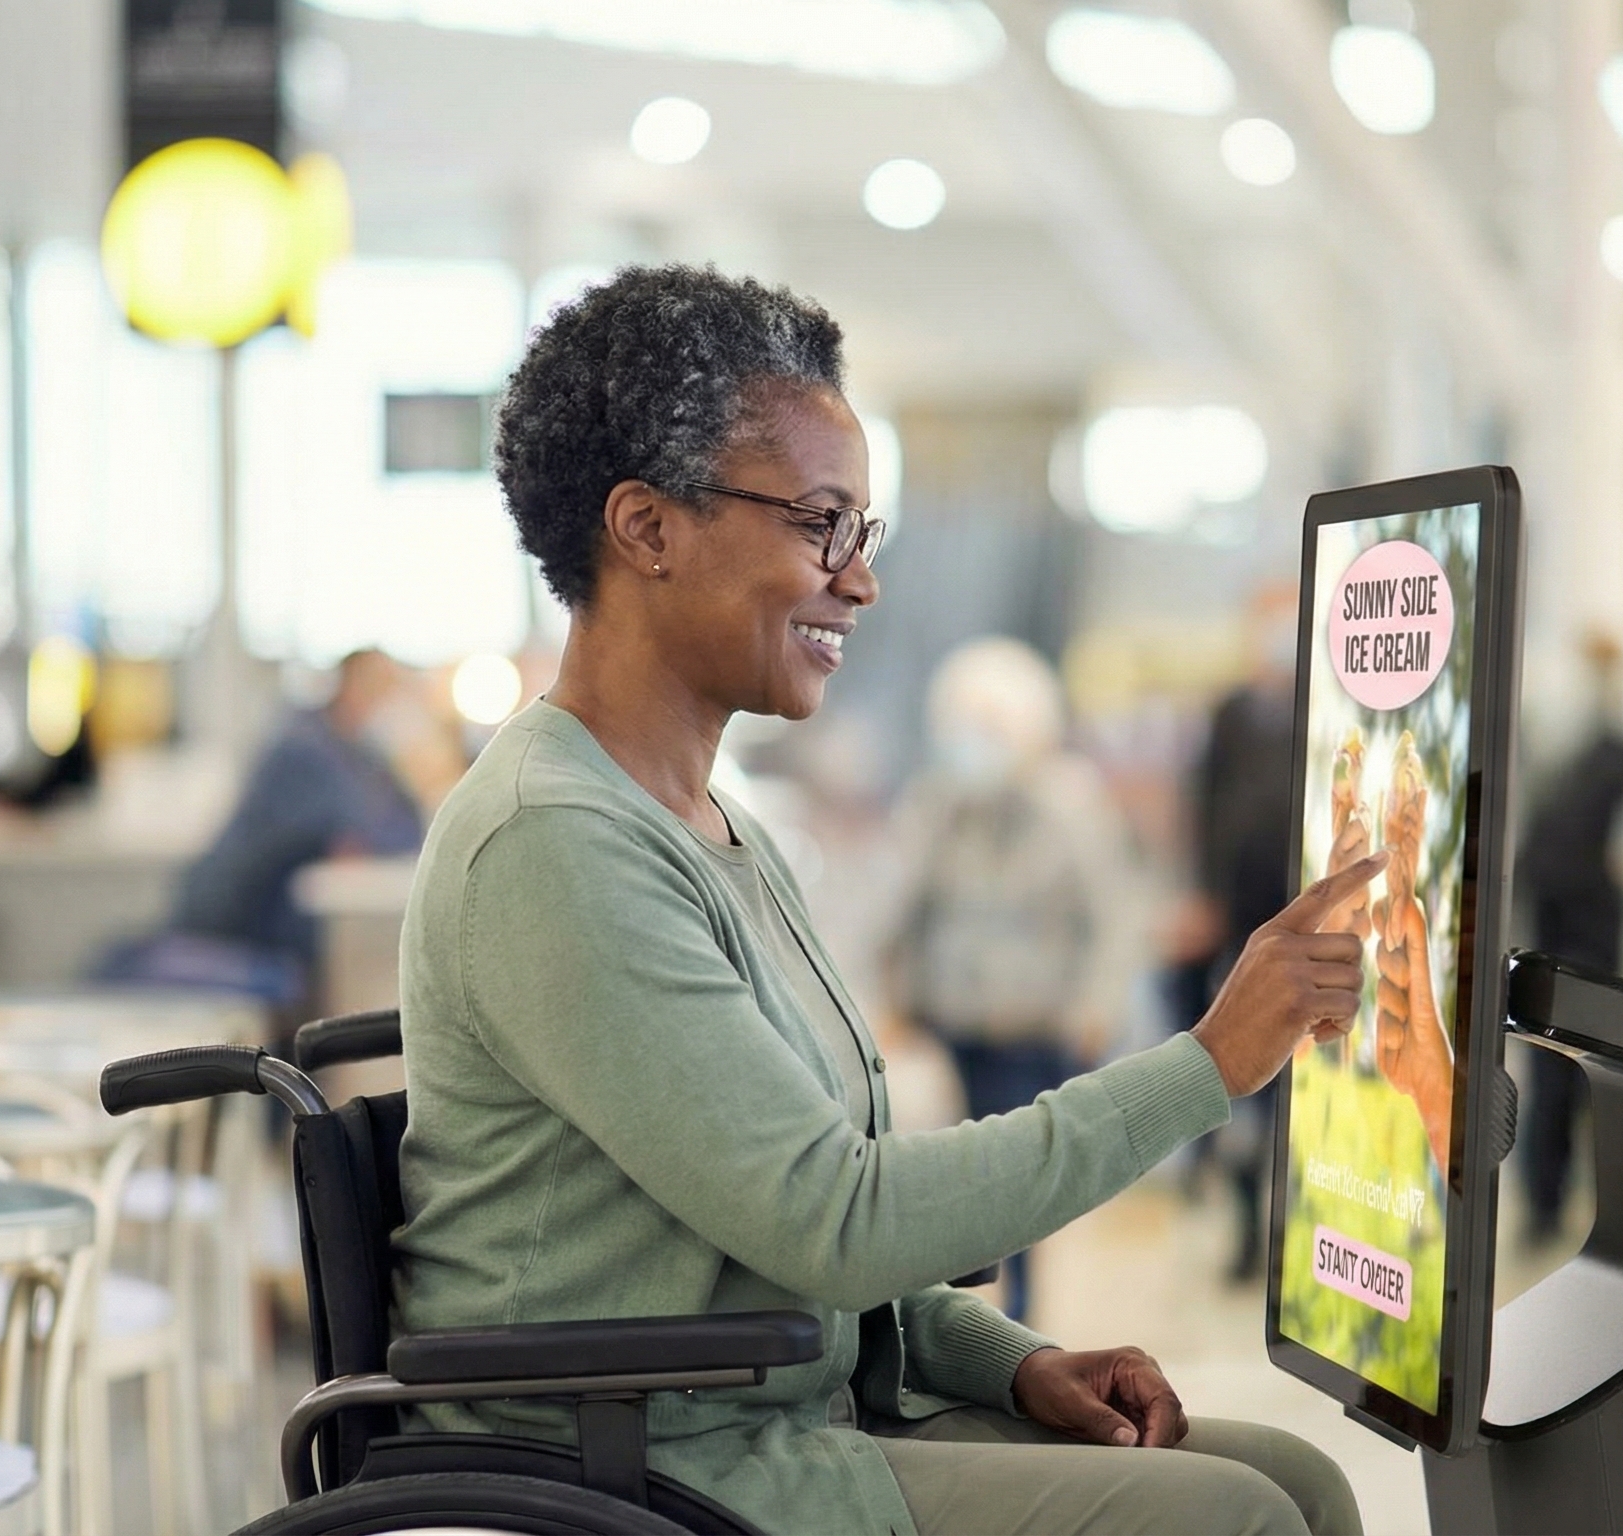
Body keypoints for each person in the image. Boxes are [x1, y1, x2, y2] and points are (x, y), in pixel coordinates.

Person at [394, 266, 1371, 1536]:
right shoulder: (555, 848)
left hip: (768, 1401)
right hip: (643, 1453)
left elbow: (788, 1217)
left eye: (865, 534)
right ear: (646, 530)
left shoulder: (712, 829)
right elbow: (836, 1221)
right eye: (819, 525)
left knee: (1300, 1480)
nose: (858, 582)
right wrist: (1208, 1063)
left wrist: (1008, 1361)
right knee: (1229, 1519)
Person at [882, 635, 1133, 1321]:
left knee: (1021, 1181)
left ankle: (1019, 1315)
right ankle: (957, 1317)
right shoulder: (936, 803)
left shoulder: (1074, 804)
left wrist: (1096, 1006)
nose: (977, 742)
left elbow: (1110, 919)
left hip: (1035, 1027)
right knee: (951, 1181)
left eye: (993, 727)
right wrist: (892, 1000)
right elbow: (901, 910)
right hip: (949, 1024)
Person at [104, 649, 431, 1009]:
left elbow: (406, 829)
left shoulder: (354, 751)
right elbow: (370, 831)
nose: (390, 703)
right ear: (350, 687)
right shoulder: (305, 750)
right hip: (231, 934)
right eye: (384, 689)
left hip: (267, 935)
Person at [1176, 582, 1301, 1281]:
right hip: (1236, 926)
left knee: (1295, 1089)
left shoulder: (1321, 706)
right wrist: (1201, 895)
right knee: (1239, 1072)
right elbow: (1207, 807)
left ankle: (1295, 1232)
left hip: (1301, 920)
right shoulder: (1232, 714)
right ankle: (1249, 1230)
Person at [1511, 630, 1623, 1242]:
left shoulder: (1619, 753)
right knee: (1550, 1072)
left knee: (1592, 1070)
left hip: (1592, 934)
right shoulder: (1550, 755)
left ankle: (1591, 1202)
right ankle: (1544, 1200)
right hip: (1552, 930)